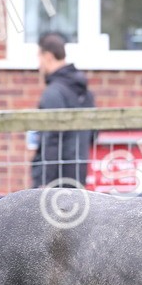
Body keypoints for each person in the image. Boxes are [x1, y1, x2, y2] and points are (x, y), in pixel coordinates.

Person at [31, 31, 96, 189]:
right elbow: (94, 133)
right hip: (78, 175)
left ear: (48, 56)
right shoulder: (85, 92)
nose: (38, 64)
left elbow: (51, 137)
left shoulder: (53, 93)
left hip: (54, 182)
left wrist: (44, 181)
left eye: (38, 57)